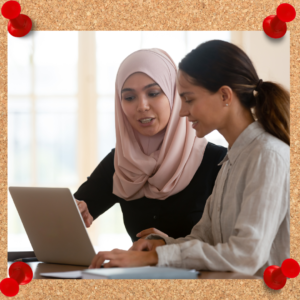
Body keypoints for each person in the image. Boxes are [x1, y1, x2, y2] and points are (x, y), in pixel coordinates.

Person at [89, 40, 290, 278]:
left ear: (225, 95)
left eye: (189, 99)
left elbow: (246, 255)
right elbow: (205, 238)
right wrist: (163, 245)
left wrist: (154, 257)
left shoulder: (268, 155)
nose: (182, 111)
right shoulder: (232, 160)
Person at [74, 48, 227, 243]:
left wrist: (168, 248)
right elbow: (76, 208)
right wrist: (75, 210)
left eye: (153, 93)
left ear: (175, 95)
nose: (142, 106)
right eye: (129, 97)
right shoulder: (122, 162)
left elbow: (233, 246)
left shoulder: (220, 162)